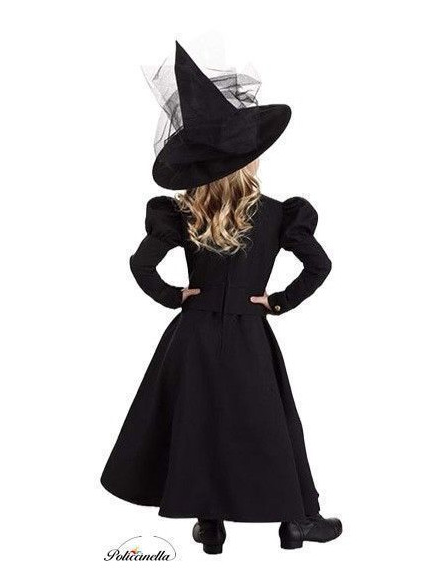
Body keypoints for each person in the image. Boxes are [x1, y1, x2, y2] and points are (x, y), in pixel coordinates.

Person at [101, 41, 342, 554]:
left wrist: (175, 296)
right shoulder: (274, 213)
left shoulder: (186, 212)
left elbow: (140, 265)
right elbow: (319, 265)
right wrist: (276, 302)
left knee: (200, 421)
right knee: (270, 424)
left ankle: (210, 524)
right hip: (249, 334)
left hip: (193, 335)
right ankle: (297, 522)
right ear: (248, 158)